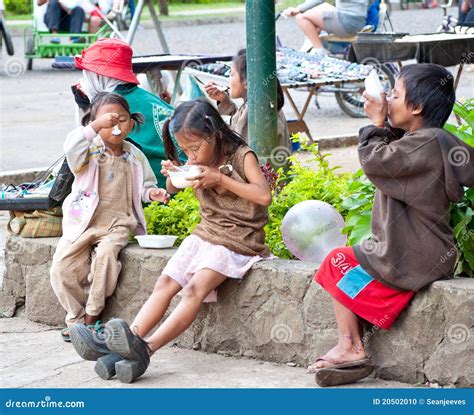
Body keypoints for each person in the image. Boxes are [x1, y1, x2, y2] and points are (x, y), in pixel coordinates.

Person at [69, 100, 272, 383]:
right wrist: (174, 174)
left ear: (213, 134)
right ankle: (128, 342)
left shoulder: (241, 155)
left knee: (193, 290)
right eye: (185, 150)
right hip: (206, 233)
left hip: (240, 238)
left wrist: (220, 179)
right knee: (164, 284)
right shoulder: (197, 158)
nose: (191, 154)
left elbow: (264, 196)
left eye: (194, 147)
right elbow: (171, 188)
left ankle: (146, 349)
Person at [308, 63, 474, 386]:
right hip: (426, 254)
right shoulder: (434, 140)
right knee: (367, 282)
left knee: (336, 263)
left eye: (395, 94)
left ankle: (351, 346)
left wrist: (374, 123)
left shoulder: (423, 145)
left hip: (410, 254)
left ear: (415, 107)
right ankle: (356, 347)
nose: (388, 98)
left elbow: (376, 162)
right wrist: (385, 123)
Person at [50, 92, 170, 342]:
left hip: (118, 223)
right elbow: (71, 147)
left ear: (132, 123)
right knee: (61, 268)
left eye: (122, 120)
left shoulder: (134, 155)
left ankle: (92, 318)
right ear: (94, 124)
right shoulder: (88, 151)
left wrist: (153, 193)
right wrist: (93, 128)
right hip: (83, 221)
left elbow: (145, 186)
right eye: (108, 122)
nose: (115, 127)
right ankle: (75, 318)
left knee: (105, 259)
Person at [72, 38, 182, 188]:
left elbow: (82, 153)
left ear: (98, 76)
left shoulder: (110, 108)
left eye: (87, 74)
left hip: (157, 186)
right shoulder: (145, 96)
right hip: (182, 179)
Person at [204, 49, 291, 152]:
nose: (229, 80)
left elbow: (236, 143)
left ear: (246, 82)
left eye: (232, 75)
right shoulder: (260, 102)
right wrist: (224, 100)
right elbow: (237, 124)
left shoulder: (256, 111)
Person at [284, 0, 368, 56]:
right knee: (321, 7)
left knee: (301, 17)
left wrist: (298, 9)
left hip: (345, 23)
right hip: (360, 22)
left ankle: (320, 51)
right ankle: (311, 43)